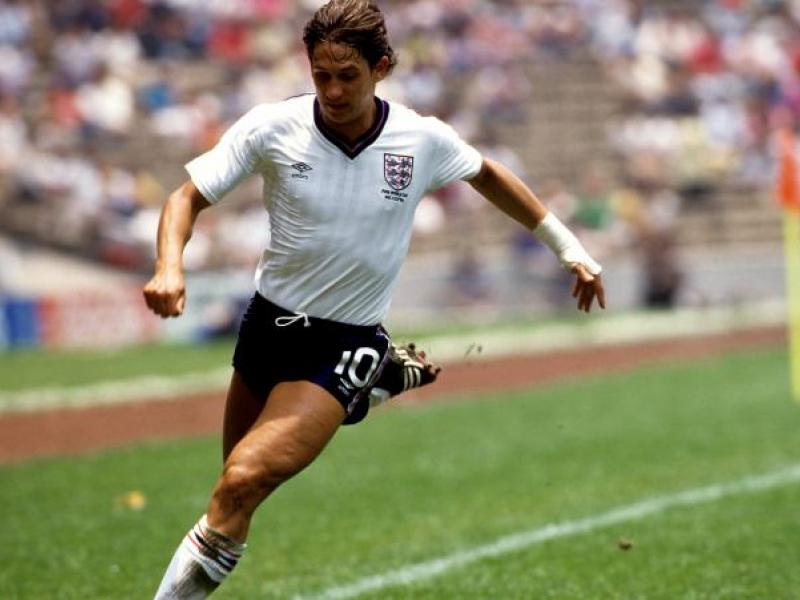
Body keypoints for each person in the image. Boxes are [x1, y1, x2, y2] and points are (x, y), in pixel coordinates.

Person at [143, 1, 606, 598]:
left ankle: (361, 378)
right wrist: (169, 266)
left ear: (381, 67)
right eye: (321, 75)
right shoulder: (272, 127)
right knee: (232, 490)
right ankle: (369, 390)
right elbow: (185, 198)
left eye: (348, 76)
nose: (333, 91)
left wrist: (570, 249)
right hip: (267, 327)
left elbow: (488, 175)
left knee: (242, 481)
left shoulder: (420, 138)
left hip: (343, 340)